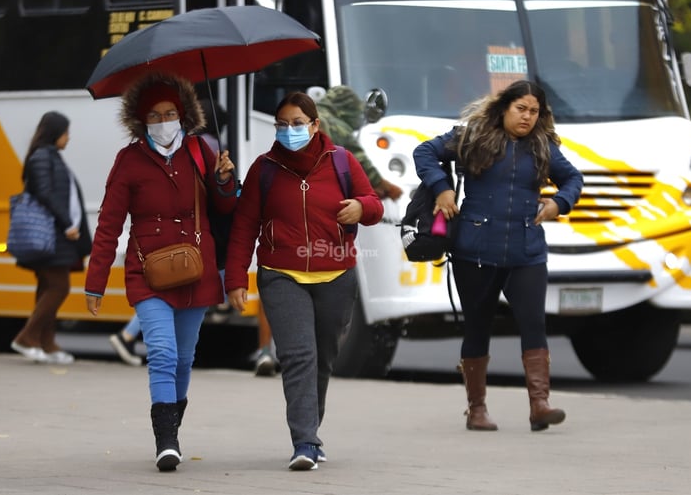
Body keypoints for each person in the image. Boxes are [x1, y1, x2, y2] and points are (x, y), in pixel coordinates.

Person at [84, 73, 238, 472]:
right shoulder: (129, 160)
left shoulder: (201, 151)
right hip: (147, 275)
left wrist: (224, 182)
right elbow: (109, 224)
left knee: (184, 359)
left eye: (170, 113)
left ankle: (172, 427)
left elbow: (224, 210)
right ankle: (166, 442)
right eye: (155, 115)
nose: (164, 120)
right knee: (164, 354)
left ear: (183, 115)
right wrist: (95, 281)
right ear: (141, 120)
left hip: (196, 270)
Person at [225, 91, 384, 470]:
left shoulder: (342, 162)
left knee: (323, 359)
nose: (290, 131)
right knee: (298, 356)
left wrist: (362, 207)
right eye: (282, 125)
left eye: (298, 124)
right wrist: (235, 278)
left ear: (315, 125)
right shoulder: (264, 169)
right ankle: (305, 442)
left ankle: (311, 429)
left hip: (336, 275)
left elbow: (374, 204)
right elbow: (244, 227)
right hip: (282, 275)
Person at [412, 80, 583, 432]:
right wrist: (442, 190)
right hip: (474, 250)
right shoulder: (472, 137)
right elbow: (424, 153)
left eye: (534, 111)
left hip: (526, 251)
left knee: (533, 322)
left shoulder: (543, 146)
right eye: (521, 109)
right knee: (478, 326)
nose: (527, 117)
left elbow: (573, 179)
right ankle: (476, 409)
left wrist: (558, 203)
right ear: (504, 108)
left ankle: (540, 405)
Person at [250, 85, 401, 378]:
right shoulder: (337, 126)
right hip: (321, 249)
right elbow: (360, 160)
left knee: (274, 286)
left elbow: (247, 224)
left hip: (281, 243)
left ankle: (266, 351)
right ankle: (297, 360)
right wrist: (386, 187)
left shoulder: (273, 158)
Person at [10, 111, 93, 365]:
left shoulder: (50, 156)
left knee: (47, 287)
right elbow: (44, 193)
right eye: (65, 132)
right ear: (55, 132)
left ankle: (47, 343)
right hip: (50, 234)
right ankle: (26, 337)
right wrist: (67, 223)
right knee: (59, 287)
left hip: (55, 235)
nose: (68, 137)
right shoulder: (42, 157)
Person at [317, 85, 403, 201]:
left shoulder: (308, 112)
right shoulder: (334, 124)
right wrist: (383, 185)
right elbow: (357, 158)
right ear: (347, 109)